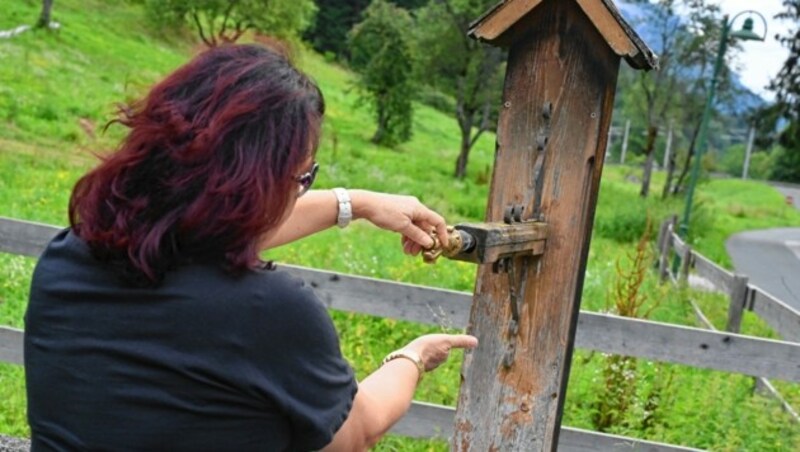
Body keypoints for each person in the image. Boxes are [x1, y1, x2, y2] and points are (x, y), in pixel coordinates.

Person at [24, 43, 477, 451]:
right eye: (302, 178)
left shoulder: (65, 260)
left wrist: (353, 203)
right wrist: (413, 357)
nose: (299, 193)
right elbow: (356, 434)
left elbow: (198, 229)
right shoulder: (266, 311)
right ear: (257, 186)